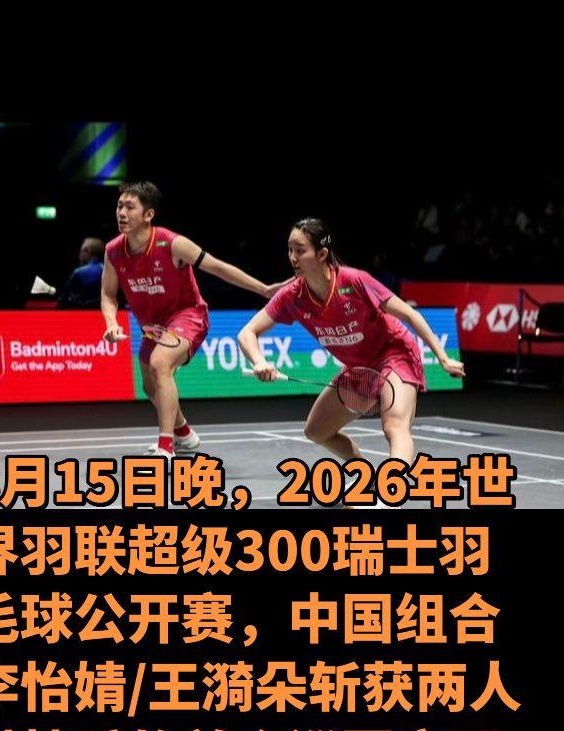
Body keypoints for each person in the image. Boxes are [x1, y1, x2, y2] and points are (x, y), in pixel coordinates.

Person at [238, 218, 465, 500]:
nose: (293, 258)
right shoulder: (293, 296)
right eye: (290, 250)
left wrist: (443, 357)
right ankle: (364, 474)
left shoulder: (354, 281)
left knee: (395, 426)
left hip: (394, 353)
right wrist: (259, 361)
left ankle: (389, 495)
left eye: (300, 250)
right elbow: (247, 333)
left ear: (322, 254)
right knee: (316, 431)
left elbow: (409, 314)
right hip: (359, 368)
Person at [102, 181, 285, 461]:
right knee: (150, 386)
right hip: (152, 326)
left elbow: (218, 267)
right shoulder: (114, 251)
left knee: (160, 364)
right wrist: (111, 323)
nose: (121, 213)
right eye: (119, 206)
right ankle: (184, 434)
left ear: (148, 214)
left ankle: (165, 447)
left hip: (188, 315)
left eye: (129, 207)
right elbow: (108, 295)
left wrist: (263, 289)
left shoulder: (172, 243)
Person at [59, 238, 105, 309]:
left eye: (81, 251)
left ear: (87, 251)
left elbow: (63, 301)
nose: (79, 255)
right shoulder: (112, 271)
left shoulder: (79, 272)